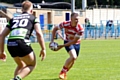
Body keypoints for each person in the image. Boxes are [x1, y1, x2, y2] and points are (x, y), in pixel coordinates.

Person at [0, 1, 46, 80]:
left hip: (10, 44)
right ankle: (16, 79)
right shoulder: (33, 18)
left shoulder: (13, 19)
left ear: (22, 9)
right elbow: (38, 33)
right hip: (22, 43)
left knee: (21, 65)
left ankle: (16, 78)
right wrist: (43, 48)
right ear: (31, 11)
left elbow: (2, 35)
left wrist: (2, 51)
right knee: (32, 65)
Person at [49, 12, 84, 79]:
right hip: (67, 41)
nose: (77, 21)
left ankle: (65, 72)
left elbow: (74, 41)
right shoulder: (65, 24)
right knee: (73, 56)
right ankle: (62, 72)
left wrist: (62, 46)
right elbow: (55, 29)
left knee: (73, 60)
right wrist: (52, 41)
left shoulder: (80, 28)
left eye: (78, 19)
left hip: (76, 43)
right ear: (71, 19)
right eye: (75, 19)